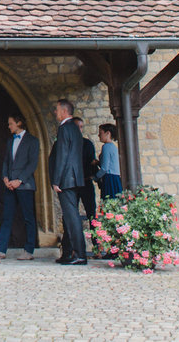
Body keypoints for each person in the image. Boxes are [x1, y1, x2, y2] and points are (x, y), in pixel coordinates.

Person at [48, 99, 88, 266]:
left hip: (66, 179)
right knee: (69, 218)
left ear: (64, 111)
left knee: (72, 218)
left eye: (57, 110)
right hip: (74, 178)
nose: (55, 113)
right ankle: (69, 253)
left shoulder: (65, 128)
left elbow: (63, 156)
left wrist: (56, 180)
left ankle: (79, 254)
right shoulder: (74, 128)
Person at [0, 112, 39, 261]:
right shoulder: (10, 141)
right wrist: (5, 177)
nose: (9, 126)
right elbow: (6, 161)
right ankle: (1, 250)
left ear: (19, 123)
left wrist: (19, 180)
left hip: (25, 185)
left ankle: (29, 250)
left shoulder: (33, 141)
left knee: (28, 218)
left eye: (11, 124)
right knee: (6, 217)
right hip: (10, 185)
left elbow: (32, 164)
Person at [58, 114, 97, 263]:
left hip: (85, 183)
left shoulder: (87, 144)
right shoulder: (69, 143)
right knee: (70, 216)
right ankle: (67, 251)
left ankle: (98, 246)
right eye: (77, 127)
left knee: (91, 213)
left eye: (81, 127)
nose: (79, 130)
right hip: (73, 184)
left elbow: (91, 163)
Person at [95, 123, 123, 200]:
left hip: (109, 179)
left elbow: (105, 168)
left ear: (108, 133)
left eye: (101, 133)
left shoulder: (106, 147)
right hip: (116, 178)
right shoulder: (113, 147)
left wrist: (95, 177)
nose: (99, 135)